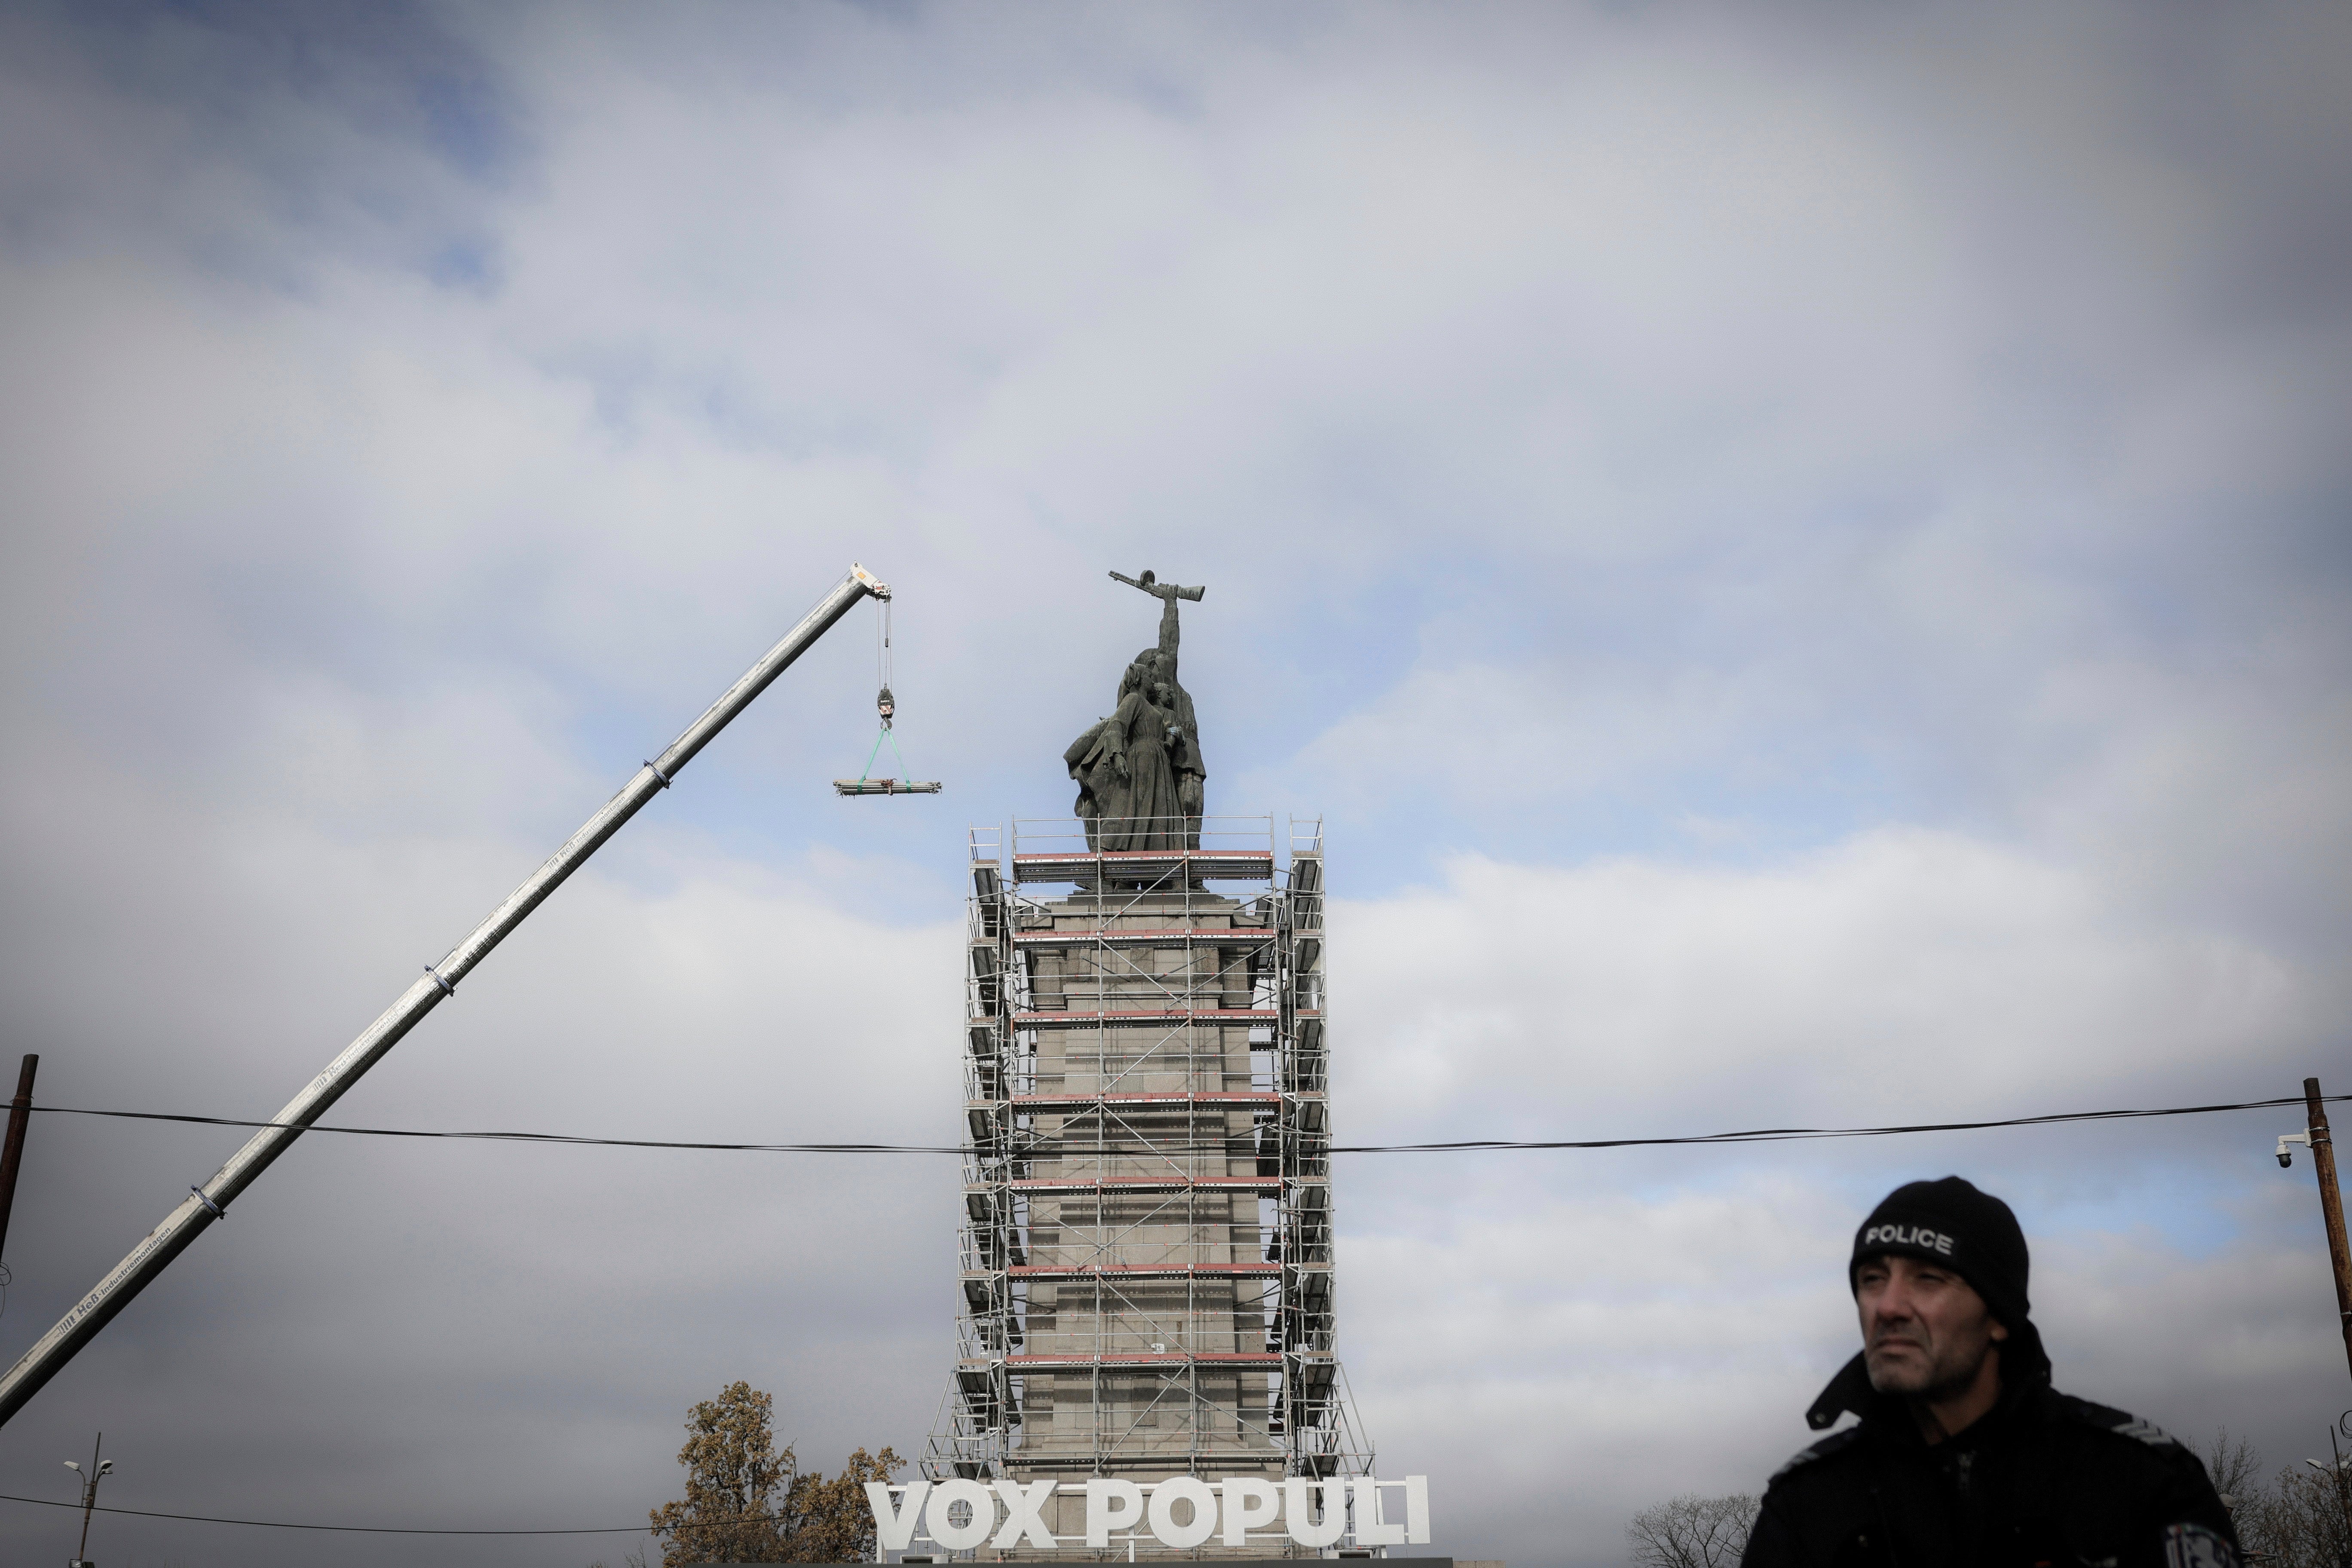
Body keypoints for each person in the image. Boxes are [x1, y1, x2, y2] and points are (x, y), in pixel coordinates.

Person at [1742, 1176, 2240, 1568]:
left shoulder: (2140, 1482)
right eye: (1872, 1280)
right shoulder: (1808, 1504)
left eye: (1928, 1279)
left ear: (1999, 1318)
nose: (1888, 1305)